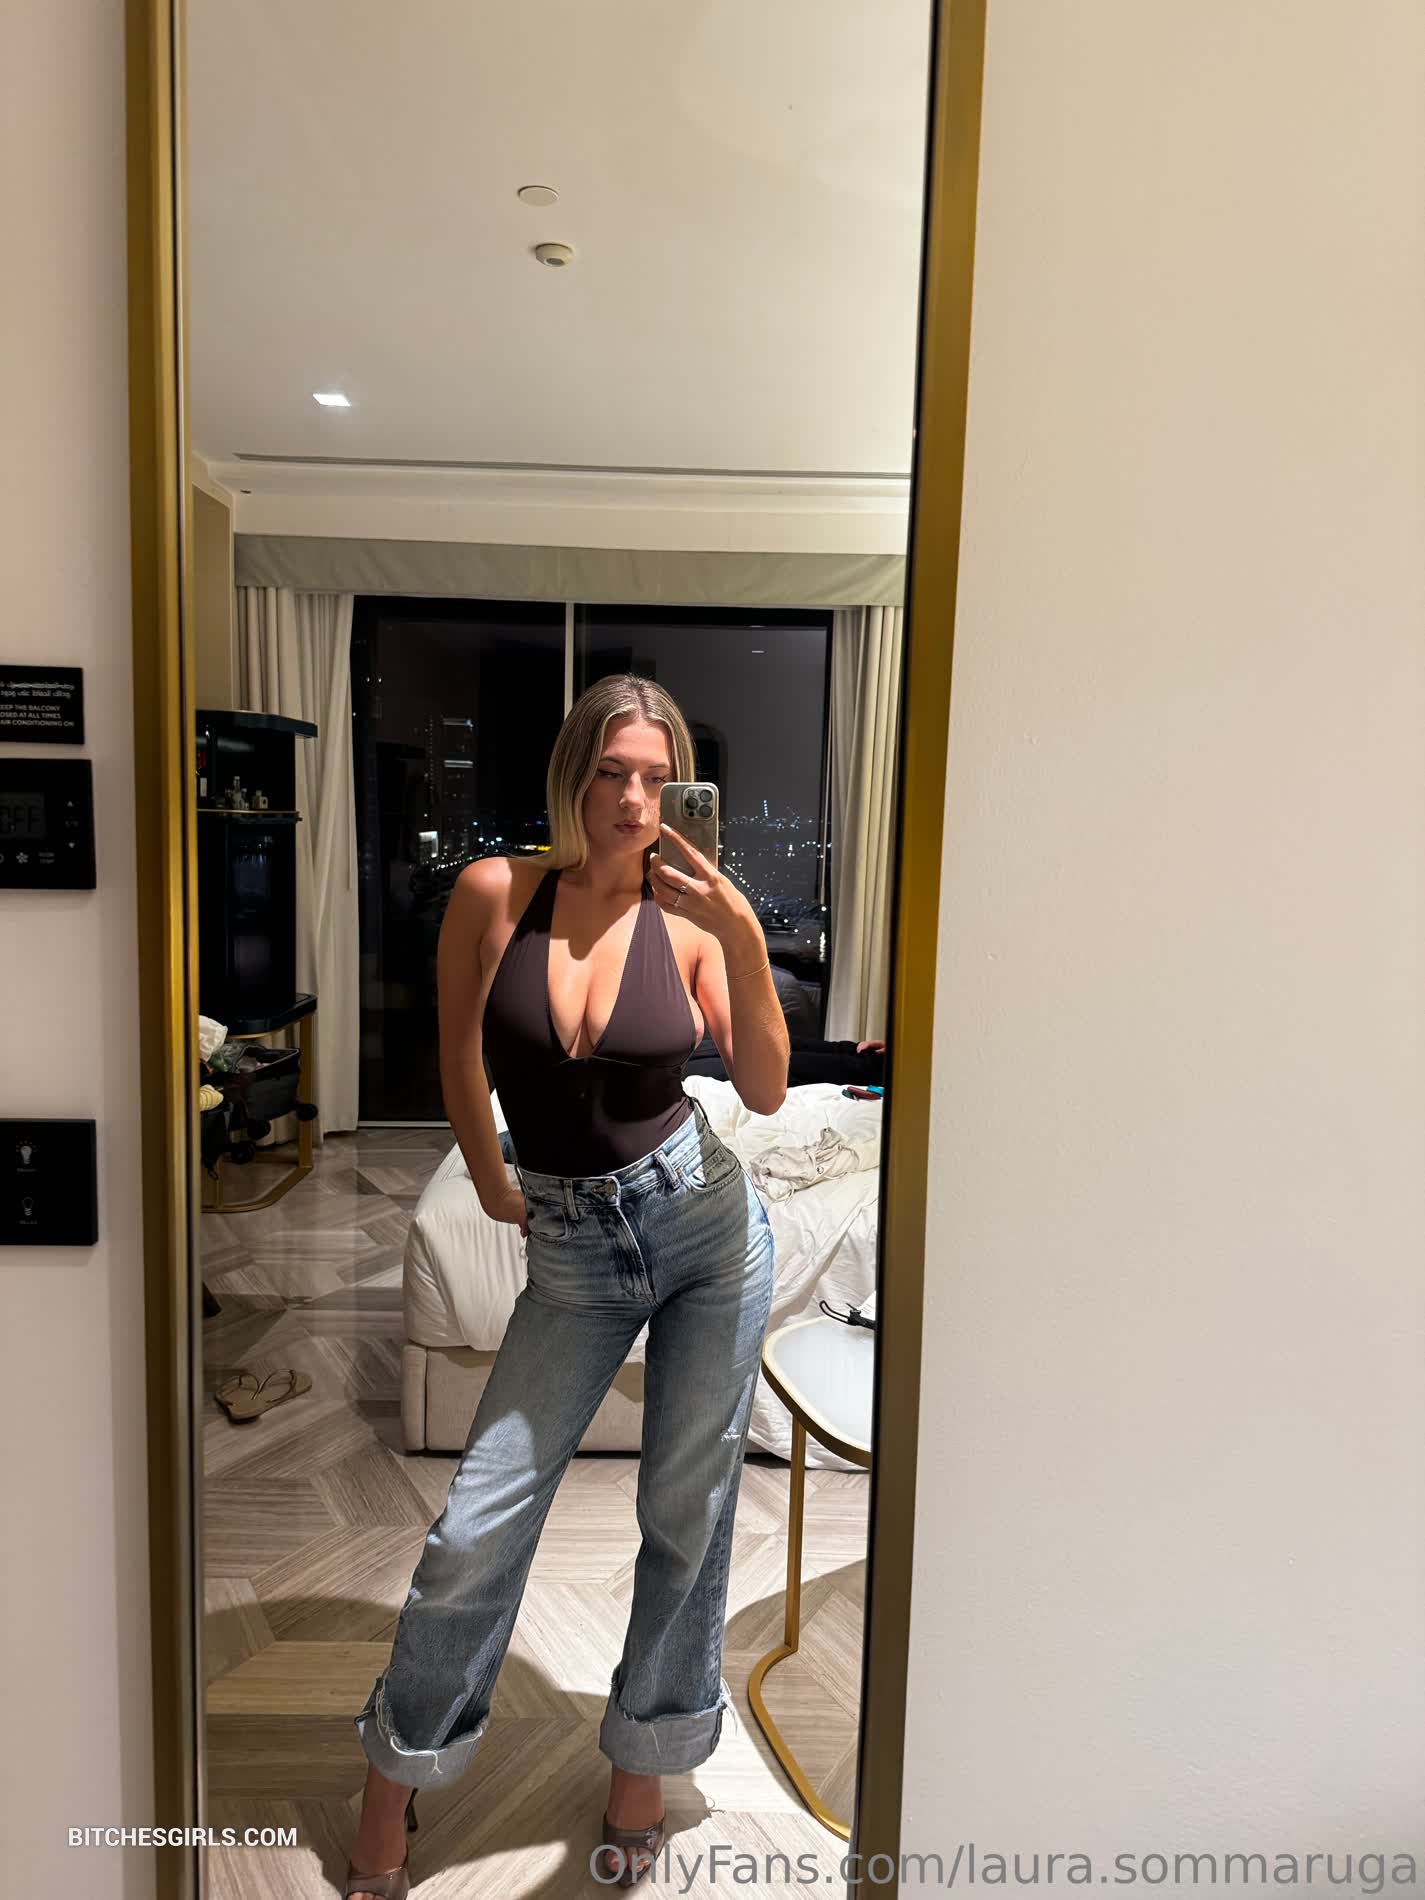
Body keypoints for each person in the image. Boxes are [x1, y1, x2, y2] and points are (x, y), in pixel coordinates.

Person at [344, 675, 790, 1899]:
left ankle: (644, 1763)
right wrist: (493, 1179)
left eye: (659, 777)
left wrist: (744, 938)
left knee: (687, 1509)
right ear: (574, 774)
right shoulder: (498, 893)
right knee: (478, 1521)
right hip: (575, 1258)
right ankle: (396, 1770)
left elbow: (761, 1088)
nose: (635, 799)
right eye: (613, 771)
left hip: (706, 1231)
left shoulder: (693, 919)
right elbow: (457, 1053)